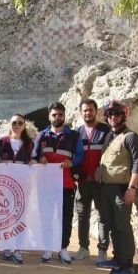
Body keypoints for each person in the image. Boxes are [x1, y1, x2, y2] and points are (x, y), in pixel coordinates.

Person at [96, 100, 138, 274]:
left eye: (116, 114)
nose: (113, 117)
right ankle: (117, 259)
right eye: (110, 114)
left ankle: (127, 265)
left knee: (123, 226)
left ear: (123, 115)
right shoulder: (110, 136)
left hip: (122, 188)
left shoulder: (131, 137)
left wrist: (132, 187)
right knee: (112, 225)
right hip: (106, 187)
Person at [33, 102, 84, 264]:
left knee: (65, 217)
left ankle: (63, 248)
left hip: (66, 184)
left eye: (60, 114)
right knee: (46, 216)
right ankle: (48, 247)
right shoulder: (41, 135)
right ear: (49, 116)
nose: (57, 117)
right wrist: (39, 158)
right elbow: (34, 155)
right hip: (46, 184)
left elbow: (81, 155)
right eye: (54, 115)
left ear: (64, 115)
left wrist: (72, 162)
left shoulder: (74, 136)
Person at [74, 98, 112, 262]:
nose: (88, 113)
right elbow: (74, 157)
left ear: (96, 111)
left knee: (103, 216)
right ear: (81, 113)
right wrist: (74, 174)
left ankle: (102, 250)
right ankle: (83, 248)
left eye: (91, 110)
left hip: (100, 182)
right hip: (82, 181)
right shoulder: (76, 133)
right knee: (83, 216)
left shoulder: (106, 131)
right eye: (85, 110)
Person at [0, 114, 35, 264]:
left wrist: (34, 161)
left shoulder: (29, 144)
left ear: (24, 125)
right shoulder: (1, 142)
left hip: (22, 186)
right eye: (14, 122)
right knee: (6, 216)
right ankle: (7, 245)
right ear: (10, 125)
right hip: (6, 186)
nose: (17, 125)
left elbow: (34, 159)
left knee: (20, 217)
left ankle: (18, 247)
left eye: (20, 123)